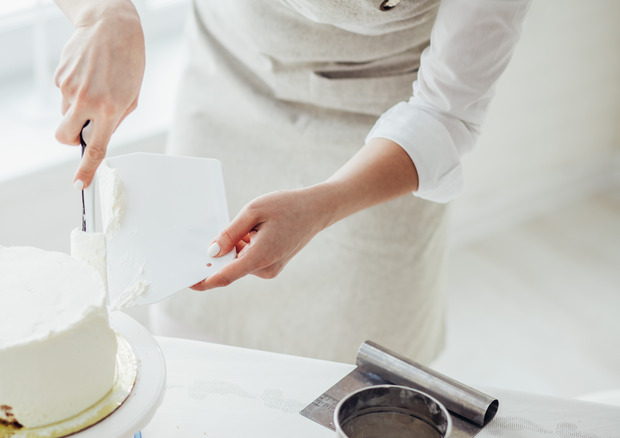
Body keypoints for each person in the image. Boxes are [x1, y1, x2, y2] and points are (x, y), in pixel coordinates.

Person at [53, 0, 532, 364]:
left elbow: (445, 116)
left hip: (383, 138)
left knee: (365, 373)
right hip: (227, 76)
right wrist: (102, 13)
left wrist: (325, 203)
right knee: (199, 348)